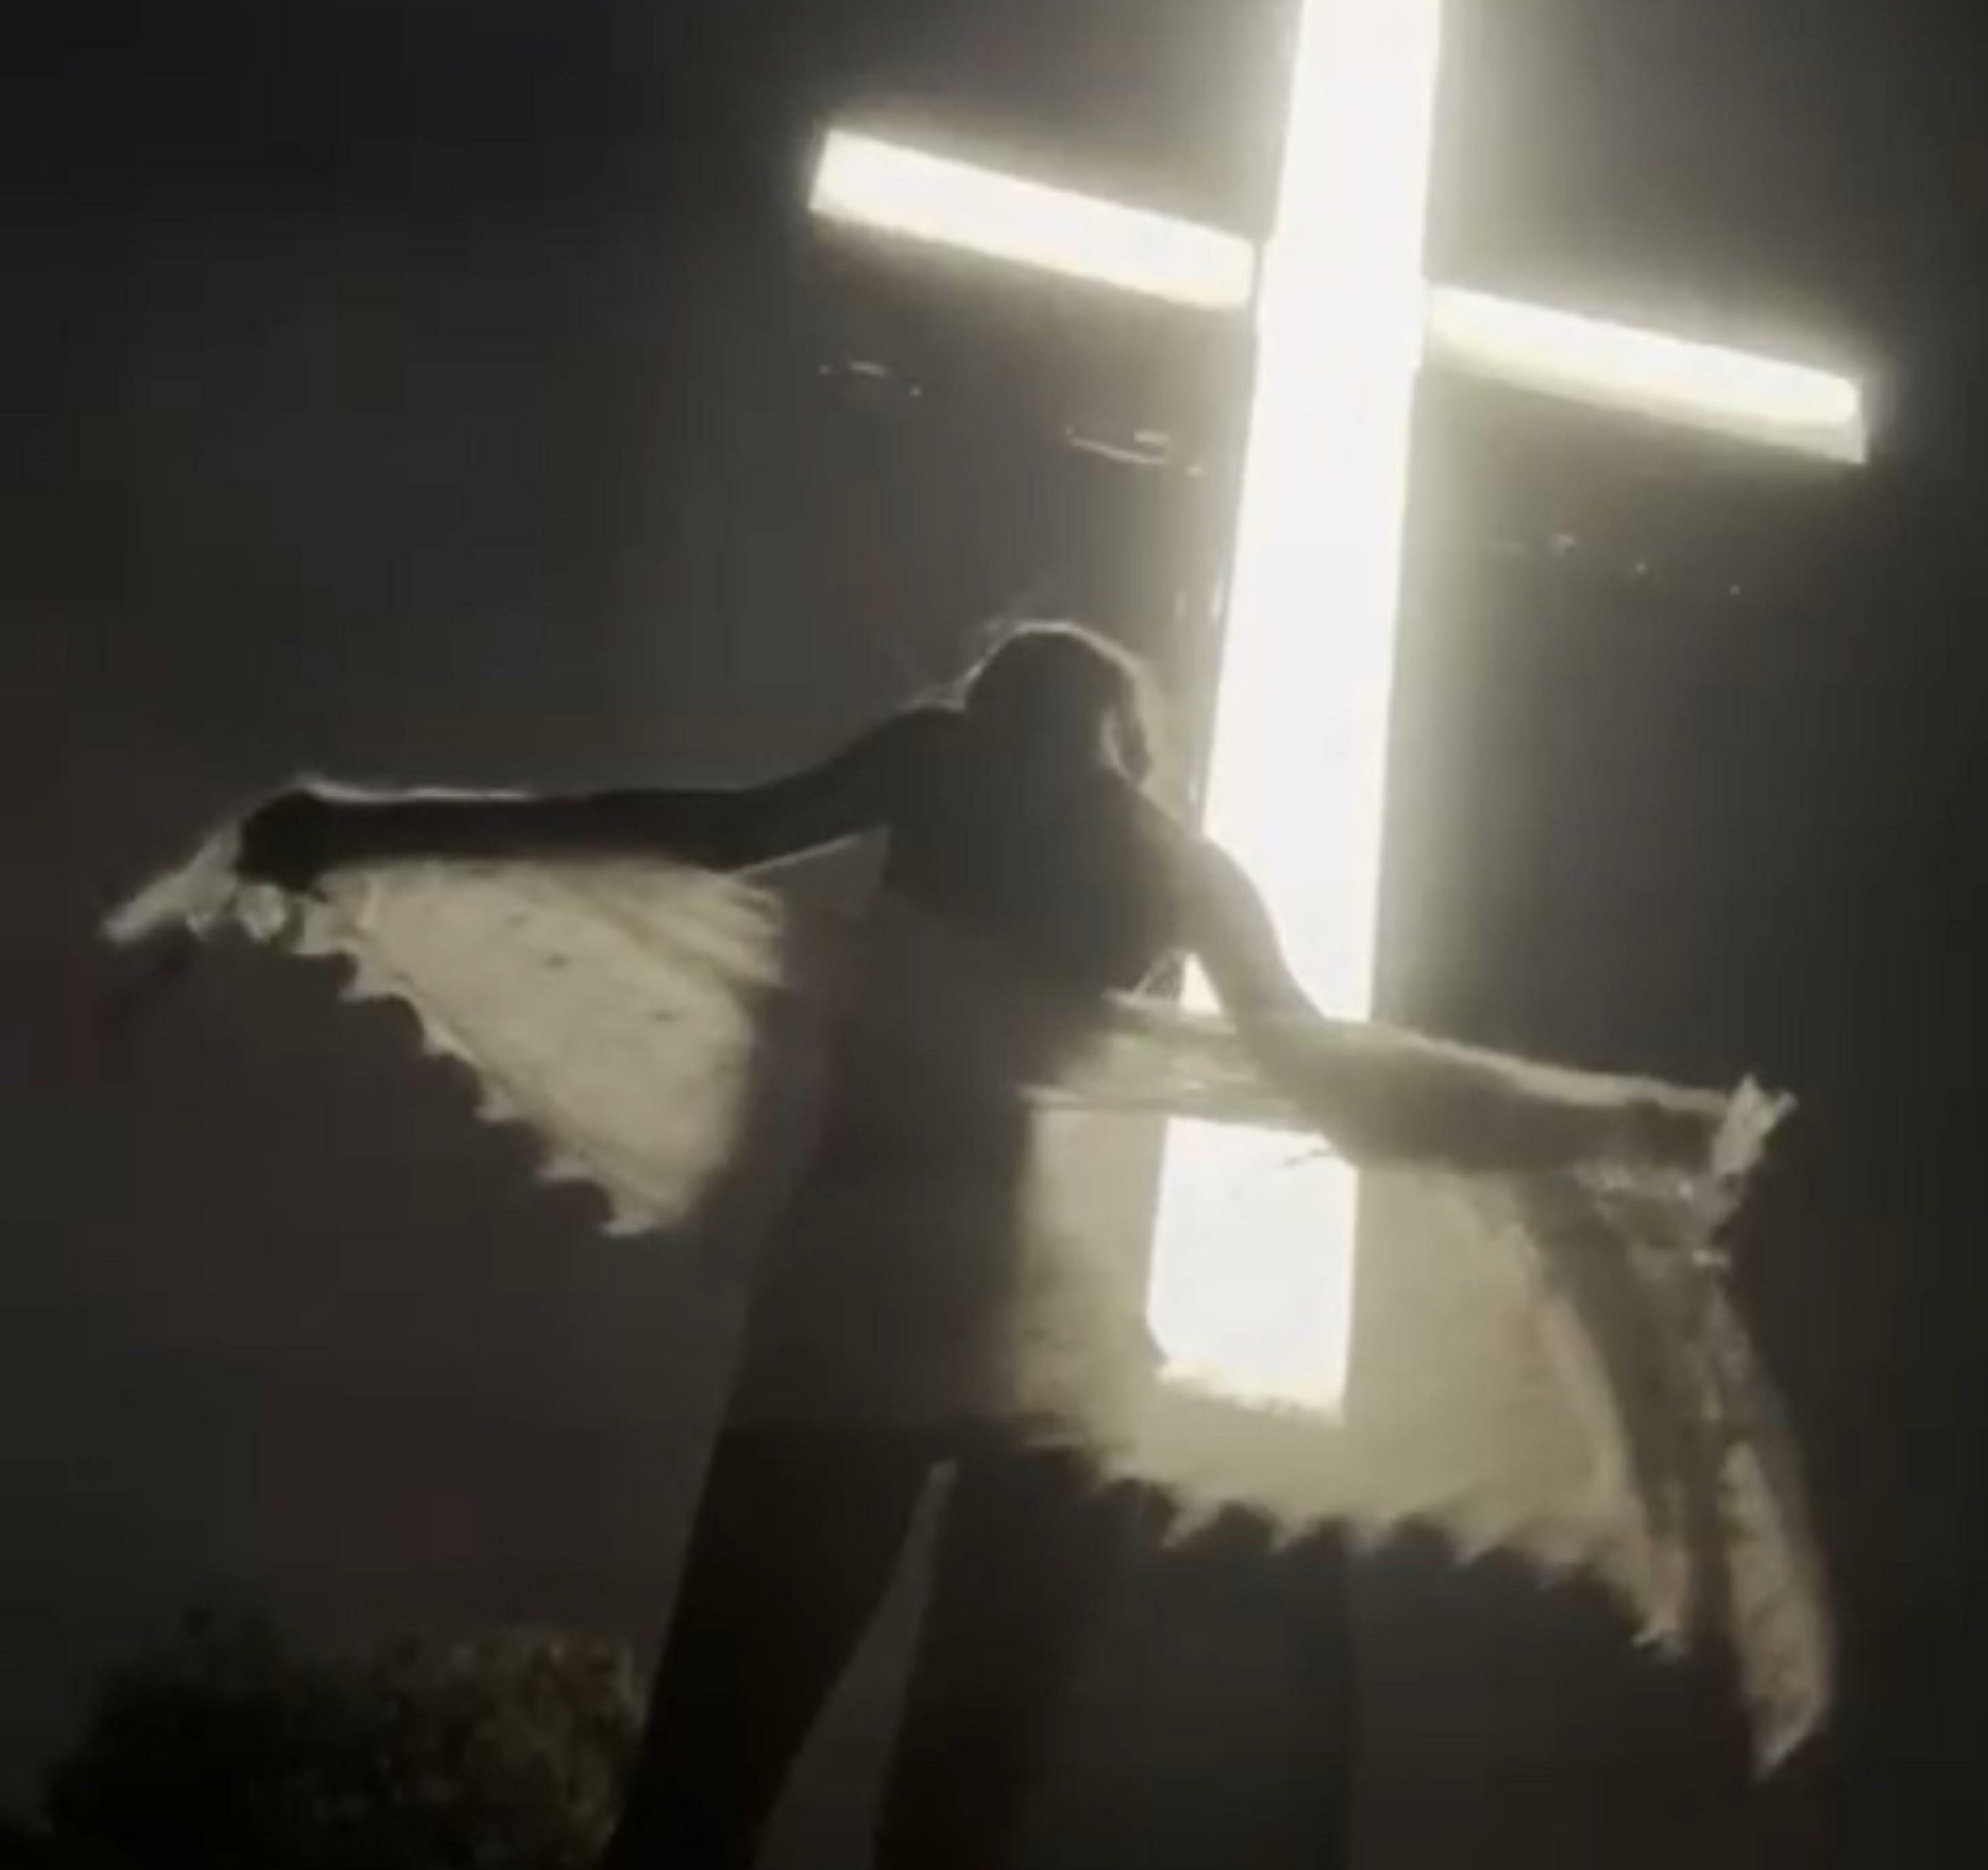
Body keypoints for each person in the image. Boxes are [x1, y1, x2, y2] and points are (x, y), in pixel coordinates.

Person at [230, 622, 1732, 1867]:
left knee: (705, 1785)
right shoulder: (1172, 860)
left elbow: (696, 829)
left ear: (1007, 702)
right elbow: (1339, 1084)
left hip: (864, 1308)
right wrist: (1622, 1127)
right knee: (956, 1815)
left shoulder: (942, 759)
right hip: (1056, 1354)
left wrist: (367, 830)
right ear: (1129, 736)